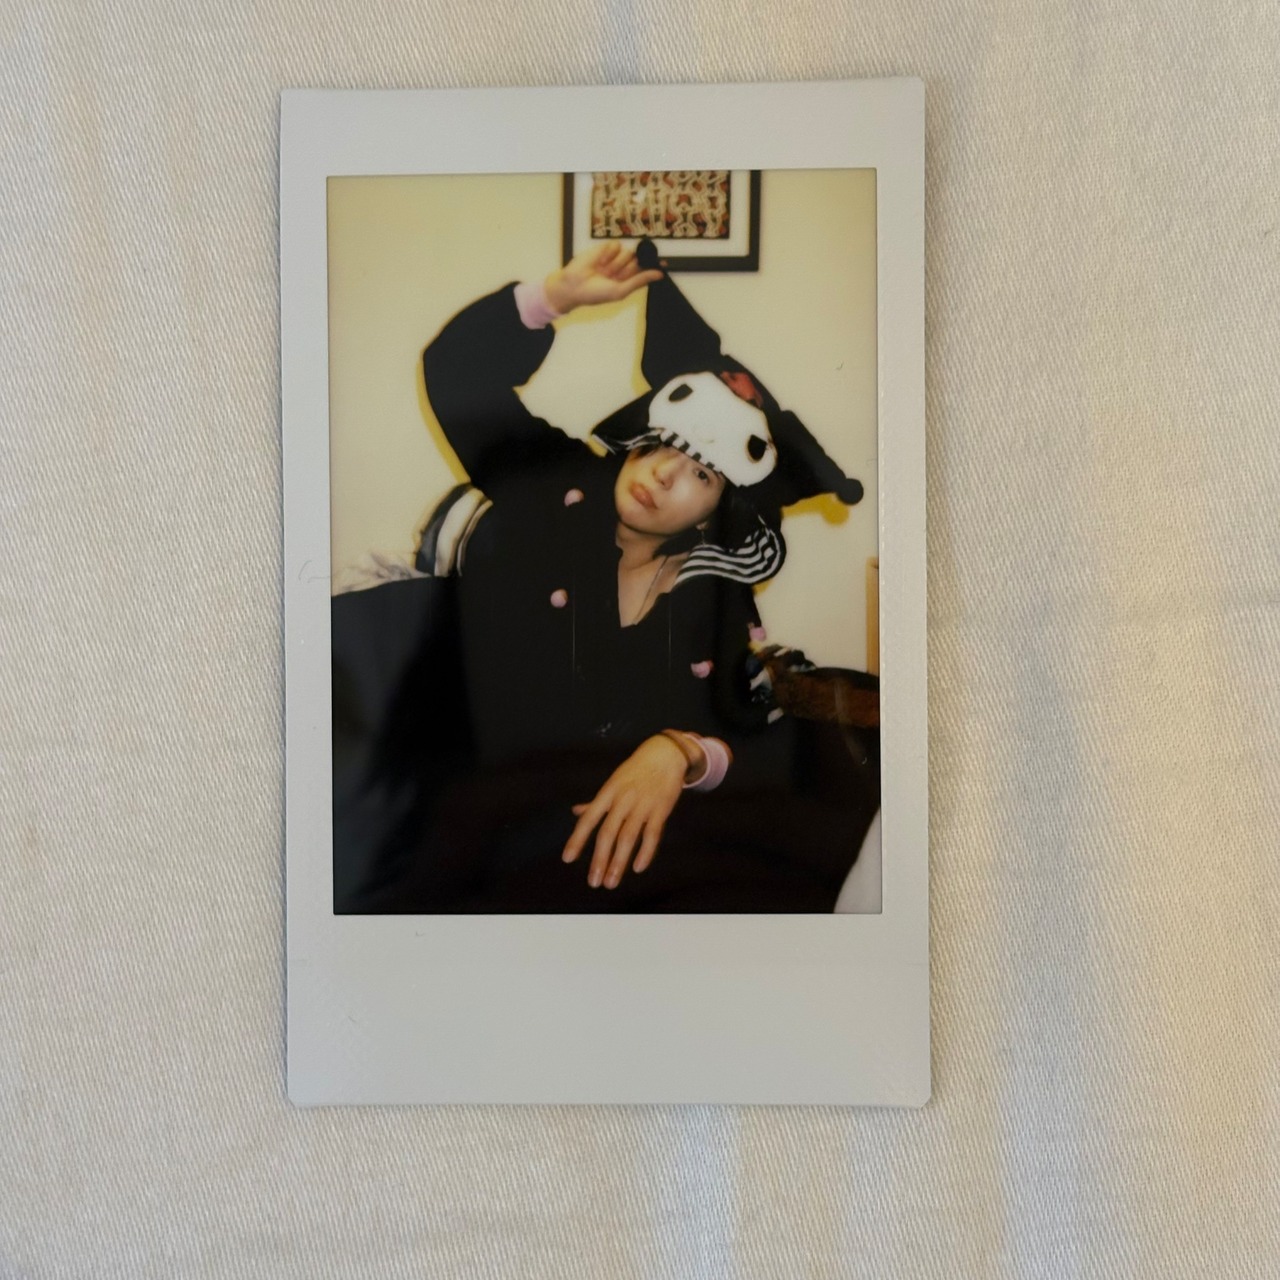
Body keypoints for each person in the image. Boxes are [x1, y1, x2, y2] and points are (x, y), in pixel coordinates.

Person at [331, 238, 879, 913]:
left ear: (720, 512)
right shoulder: (552, 489)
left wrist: (678, 751)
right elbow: (457, 379)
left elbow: (740, 727)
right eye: (664, 445)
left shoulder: (714, 596)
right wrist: (551, 299)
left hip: (581, 833)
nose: (663, 473)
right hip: (448, 796)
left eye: (701, 473)